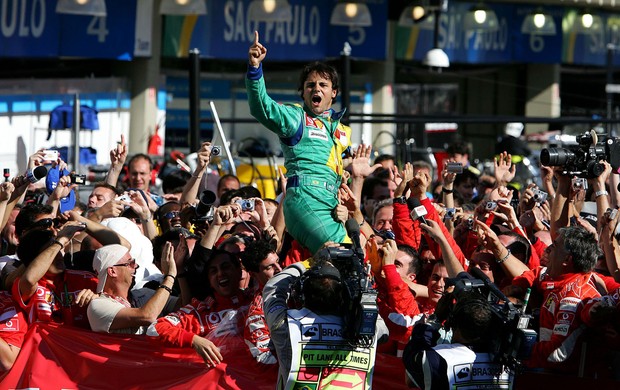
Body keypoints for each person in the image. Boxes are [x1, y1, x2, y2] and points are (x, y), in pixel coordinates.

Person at [247, 31, 351, 254]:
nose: (316, 89)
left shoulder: (342, 130)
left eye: (323, 85)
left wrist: (353, 174)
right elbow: (262, 108)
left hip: (330, 205)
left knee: (350, 268)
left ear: (334, 93)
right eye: (310, 85)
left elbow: (343, 169)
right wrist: (255, 69)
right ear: (303, 93)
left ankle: (290, 285)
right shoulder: (295, 118)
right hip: (304, 199)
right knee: (342, 256)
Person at [263, 250, 381, 389]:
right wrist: (357, 281)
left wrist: (308, 263)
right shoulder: (365, 328)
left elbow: (273, 288)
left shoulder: (285, 327)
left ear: (301, 295)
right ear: (343, 296)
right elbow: (376, 319)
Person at [146, 250, 251, 367]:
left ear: (239, 272)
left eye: (225, 267)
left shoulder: (257, 299)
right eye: (213, 271)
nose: (220, 273)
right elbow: (155, 329)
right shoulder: (200, 311)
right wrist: (194, 340)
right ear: (210, 281)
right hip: (222, 381)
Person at [403, 291, 514, 389]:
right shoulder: (509, 360)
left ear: (452, 322)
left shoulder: (439, 358)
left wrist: (435, 319)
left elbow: (411, 357)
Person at [87, 242, 178, 334]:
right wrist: (170, 276)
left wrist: (182, 271)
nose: (136, 266)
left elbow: (183, 305)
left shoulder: (145, 293)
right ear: (112, 271)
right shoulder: (98, 306)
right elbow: (148, 316)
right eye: (130, 263)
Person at [239, 239, 281, 365]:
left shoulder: (300, 283)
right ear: (253, 274)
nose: (279, 269)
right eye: (269, 267)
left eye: (278, 262)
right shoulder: (257, 312)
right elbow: (264, 358)